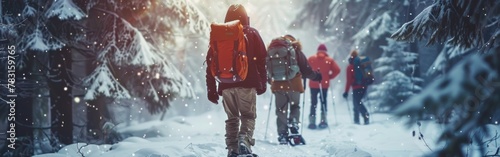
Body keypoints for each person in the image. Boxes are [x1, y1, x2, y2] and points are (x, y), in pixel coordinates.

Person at [205, 4, 267, 157]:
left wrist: (211, 89)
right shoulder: (252, 33)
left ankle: (232, 149)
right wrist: (262, 82)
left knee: (232, 119)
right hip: (247, 83)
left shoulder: (220, 35)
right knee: (248, 115)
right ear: (246, 17)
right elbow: (262, 60)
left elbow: (210, 63)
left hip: (225, 84)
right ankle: (244, 141)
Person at [269, 35, 322, 144]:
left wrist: (270, 81)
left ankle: (282, 134)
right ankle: (293, 124)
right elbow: (306, 70)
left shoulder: (273, 51)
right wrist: (316, 76)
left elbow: (267, 69)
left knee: (281, 110)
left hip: (278, 85)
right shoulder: (295, 50)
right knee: (295, 106)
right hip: (294, 85)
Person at [307, 44, 341, 129]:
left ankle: (312, 122)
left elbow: (305, 69)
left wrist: (310, 76)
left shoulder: (311, 59)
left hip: (313, 84)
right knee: (323, 102)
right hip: (324, 84)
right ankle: (323, 121)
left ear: (317, 51)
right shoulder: (329, 60)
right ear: (325, 51)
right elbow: (337, 70)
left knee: (313, 103)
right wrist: (329, 77)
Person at [343, 50, 370, 125]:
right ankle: (359, 119)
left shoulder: (350, 67)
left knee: (357, 102)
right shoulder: (362, 64)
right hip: (364, 86)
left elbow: (348, 81)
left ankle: (363, 116)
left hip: (356, 87)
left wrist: (346, 92)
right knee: (357, 102)